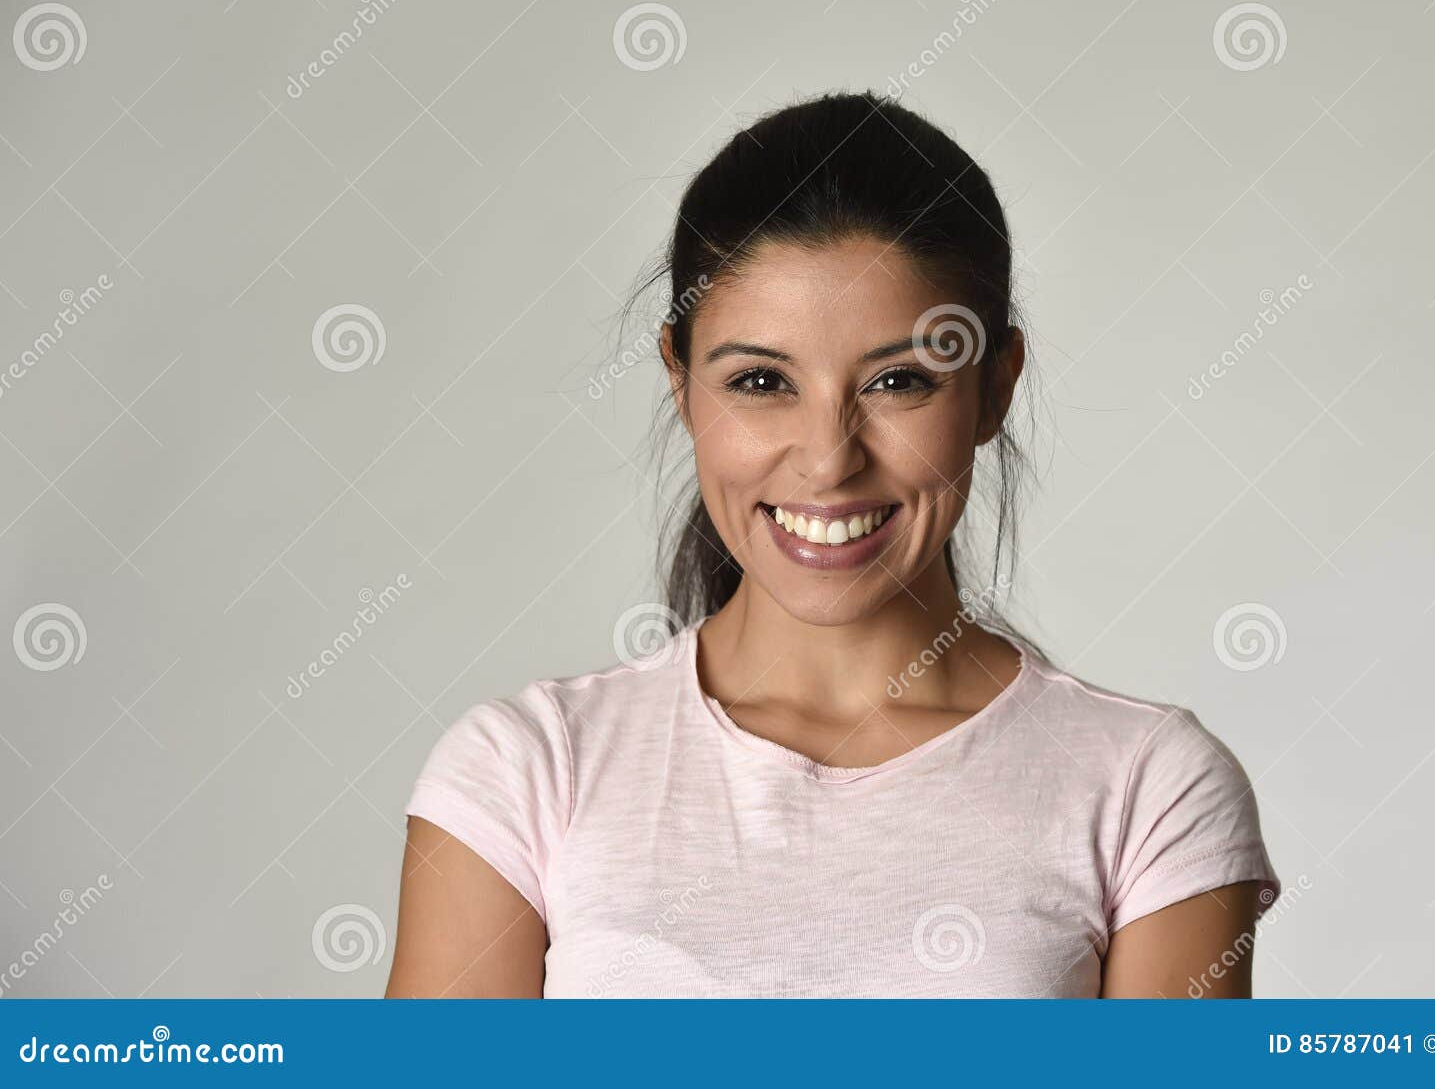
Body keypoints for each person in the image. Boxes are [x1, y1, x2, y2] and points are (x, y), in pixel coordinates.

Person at [385, 91, 1280, 998]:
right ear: (679, 380)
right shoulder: (525, 772)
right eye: (762, 380)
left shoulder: (1148, 788)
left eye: (899, 381)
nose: (828, 459)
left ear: (996, 386)